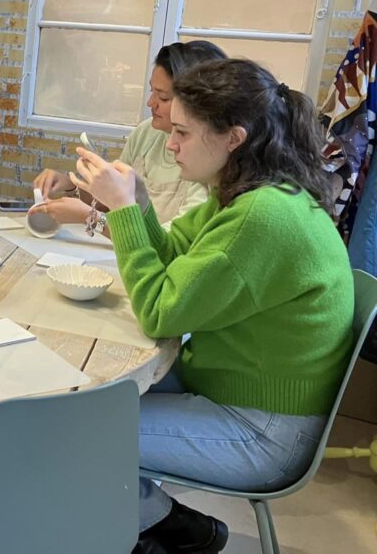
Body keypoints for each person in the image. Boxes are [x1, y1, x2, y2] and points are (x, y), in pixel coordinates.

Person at [70, 59, 353, 553]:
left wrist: (120, 214)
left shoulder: (261, 216)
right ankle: (171, 526)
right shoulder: (247, 192)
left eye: (182, 131)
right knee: (74, 405)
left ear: (233, 138)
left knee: (76, 432)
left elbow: (160, 308)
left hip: (264, 429)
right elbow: (176, 257)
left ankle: (156, 532)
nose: (169, 143)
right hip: (230, 389)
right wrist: (136, 204)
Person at [34, 40, 227, 232]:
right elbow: (111, 202)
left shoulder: (206, 164)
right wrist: (70, 186)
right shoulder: (146, 132)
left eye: (163, 98)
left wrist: (90, 218)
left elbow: (166, 244)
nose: (151, 103)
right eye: (152, 91)